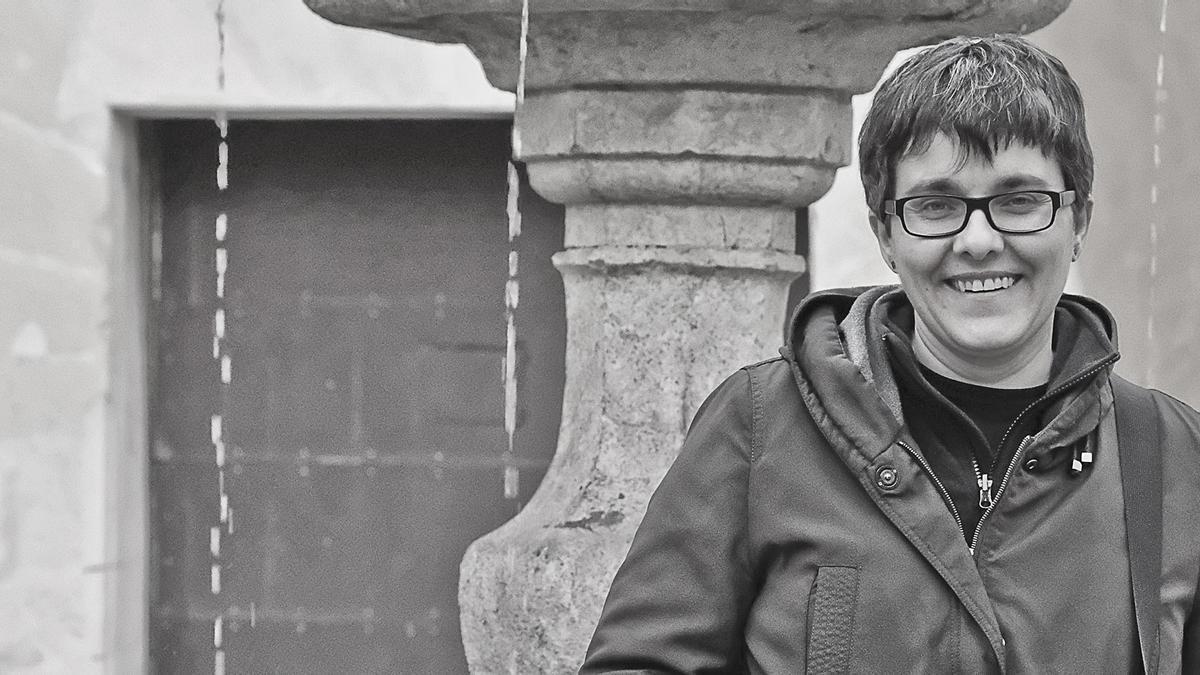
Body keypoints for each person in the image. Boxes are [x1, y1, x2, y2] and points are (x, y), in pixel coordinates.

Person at [579, 35, 1200, 673]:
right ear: (885, 234)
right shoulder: (763, 424)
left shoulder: (1176, 456)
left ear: (1079, 223)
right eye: (936, 206)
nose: (979, 241)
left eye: (1020, 201)